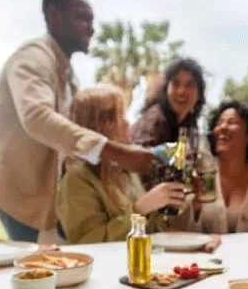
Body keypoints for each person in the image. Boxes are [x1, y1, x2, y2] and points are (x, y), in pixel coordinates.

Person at [0, 0, 157, 244]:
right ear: (55, 16)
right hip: (16, 188)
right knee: (44, 268)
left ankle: (5, 250)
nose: (91, 27)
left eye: (92, 19)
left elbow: (73, 133)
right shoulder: (32, 60)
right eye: (82, 18)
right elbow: (37, 118)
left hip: (43, 193)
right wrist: (116, 152)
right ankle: (5, 252)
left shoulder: (68, 76)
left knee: (52, 260)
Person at [57, 85, 186, 244]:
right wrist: (140, 209)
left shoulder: (125, 171)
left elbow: (149, 231)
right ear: (103, 126)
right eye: (122, 117)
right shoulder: (77, 179)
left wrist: (167, 205)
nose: (128, 124)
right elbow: (87, 243)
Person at [176, 100, 248, 233]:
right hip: (207, 253)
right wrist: (194, 209)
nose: (222, 127)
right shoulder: (201, 172)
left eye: (232, 122)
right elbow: (182, 232)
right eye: (219, 123)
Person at [130, 57, 207, 147]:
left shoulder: (189, 123)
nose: (181, 91)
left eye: (189, 85)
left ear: (199, 94)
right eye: (175, 83)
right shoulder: (156, 119)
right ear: (166, 89)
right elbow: (138, 156)